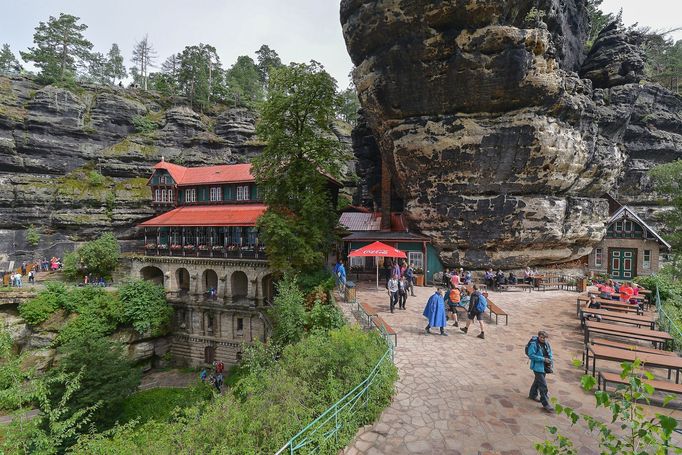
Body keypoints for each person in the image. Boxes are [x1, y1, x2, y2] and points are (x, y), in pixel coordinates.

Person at [526, 330, 555, 413]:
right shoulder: (534, 344)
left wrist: (550, 360)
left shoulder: (546, 344)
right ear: (538, 336)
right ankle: (545, 404)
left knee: (537, 381)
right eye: (541, 337)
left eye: (544, 338)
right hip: (537, 368)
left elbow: (550, 352)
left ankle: (532, 395)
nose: (543, 339)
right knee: (543, 385)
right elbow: (531, 355)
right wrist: (543, 359)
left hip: (544, 367)